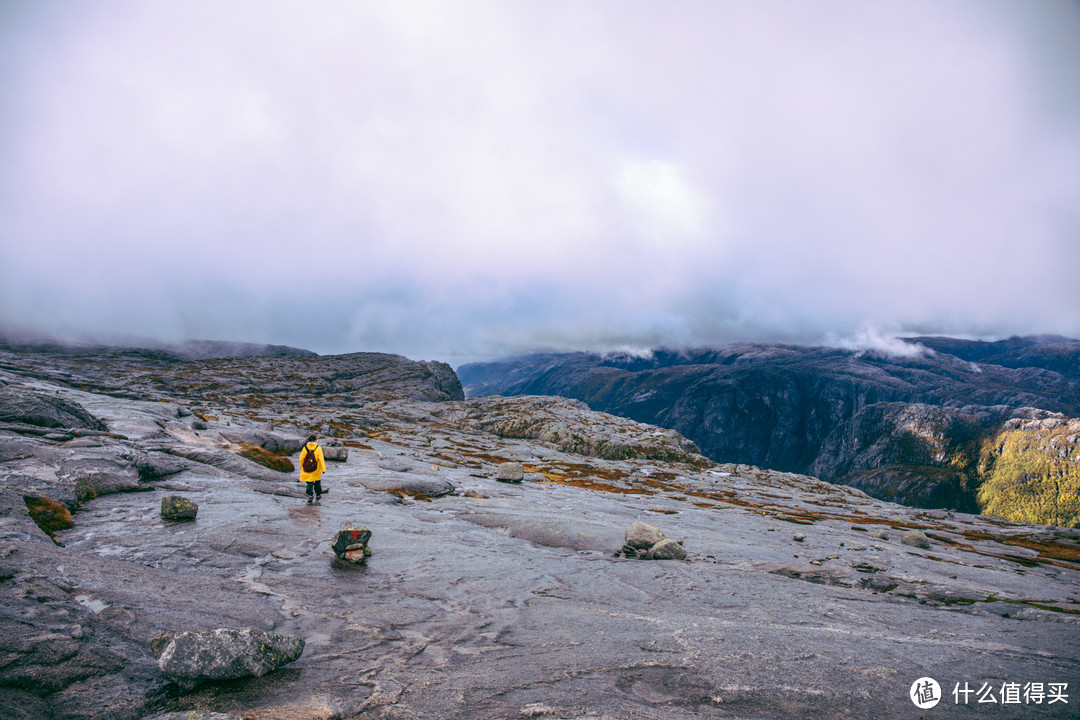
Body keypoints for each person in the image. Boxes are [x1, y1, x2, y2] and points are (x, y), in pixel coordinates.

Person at [299, 435, 326, 503]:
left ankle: (310, 495)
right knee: (317, 482)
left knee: (309, 483)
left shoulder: (305, 448)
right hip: (316, 468)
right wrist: (323, 469)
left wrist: (302, 467)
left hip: (307, 468)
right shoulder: (318, 447)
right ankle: (318, 494)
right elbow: (321, 459)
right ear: (315, 440)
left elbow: (301, 458)